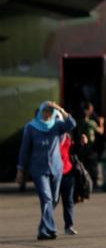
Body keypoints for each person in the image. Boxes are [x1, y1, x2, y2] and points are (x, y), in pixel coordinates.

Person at [16, 101, 77, 240]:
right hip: (38, 169)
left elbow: (72, 124)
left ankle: (43, 230)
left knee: (53, 199)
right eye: (45, 110)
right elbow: (24, 150)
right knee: (46, 198)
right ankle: (50, 229)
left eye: (50, 111)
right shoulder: (31, 127)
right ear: (40, 112)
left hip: (56, 168)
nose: (48, 113)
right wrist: (20, 169)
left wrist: (60, 109)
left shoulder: (57, 126)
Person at [58, 131, 78, 235]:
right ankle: (48, 225)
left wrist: (82, 143)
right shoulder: (50, 134)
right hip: (54, 173)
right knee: (53, 201)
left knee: (68, 200)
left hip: (68, 171)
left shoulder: (68, 135)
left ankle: (69, 226)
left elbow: (74, 151)